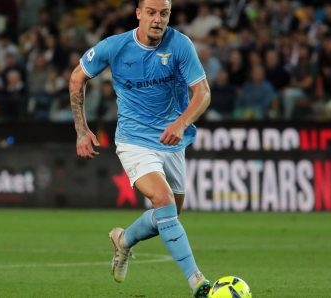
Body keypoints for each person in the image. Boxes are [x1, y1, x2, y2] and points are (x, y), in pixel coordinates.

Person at [68, 1, 212, 297]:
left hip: (172, 141)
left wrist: (181, 124)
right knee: (162, 198)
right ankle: (197, 281)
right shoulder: (114, 47)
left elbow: (203, 92)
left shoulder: (180, 45)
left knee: (169, 216)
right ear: (138, 13)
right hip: (134, 141)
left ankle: (124, 241)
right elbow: (76, 77)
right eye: (151, 12)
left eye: (164, 13)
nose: (157, 19)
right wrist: (81, 130)